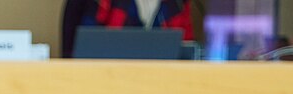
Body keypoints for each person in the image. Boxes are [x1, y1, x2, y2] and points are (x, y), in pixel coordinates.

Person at [62, 0, 196, 58]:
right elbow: (83, 53)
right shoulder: (97, 3)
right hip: (106, 87)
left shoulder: (178, 3)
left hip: (162, 90)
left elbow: (186, 52)